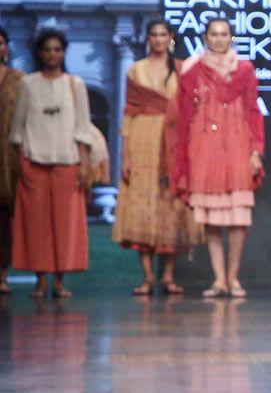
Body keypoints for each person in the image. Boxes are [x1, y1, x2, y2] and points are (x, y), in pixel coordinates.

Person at [172, 17, 264, 299]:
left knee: (237, 218)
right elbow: (183, 113)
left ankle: (234, 278)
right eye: (213, 34)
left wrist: (256, 151)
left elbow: (253, 111)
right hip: (205, 145)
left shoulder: (245, 69)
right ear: (205, 37)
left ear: (231, 38)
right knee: (211, 219)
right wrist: (183, 155)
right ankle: (219, 278)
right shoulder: (192, 68)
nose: (219, 39)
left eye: (224, 34)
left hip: (237, 142)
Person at [112, 18, 197, 294]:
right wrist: (126, 157)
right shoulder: (135, 70)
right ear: (148, 38)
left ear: (170, 37)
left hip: (175, 141)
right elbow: (130, 112)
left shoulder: (183, 69)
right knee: (144, 204)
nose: (158, 39)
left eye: (163, 34)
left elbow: (191, 111)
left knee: (170, 206)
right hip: (143, 139)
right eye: (154, 35)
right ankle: (147, 277)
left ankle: (168, 277)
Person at [8, 28, 92, 299]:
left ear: (64, 53)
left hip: (67, 161)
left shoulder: (74, 84)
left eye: (57, 49)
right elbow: (18, 127)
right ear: (39, 53)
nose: (52, 54)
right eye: (47, 49)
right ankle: (40, 280)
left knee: (65, 224)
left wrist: (85, 164)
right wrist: (21, 160)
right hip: (34, 161)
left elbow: (82, 127)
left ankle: (59, 280)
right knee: (36, 224)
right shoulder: (28, 83)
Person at [0, 27, 24, 294]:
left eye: (0, 43)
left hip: (9, 153)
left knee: (5, 218)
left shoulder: (20, 80)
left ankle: (2, 274)